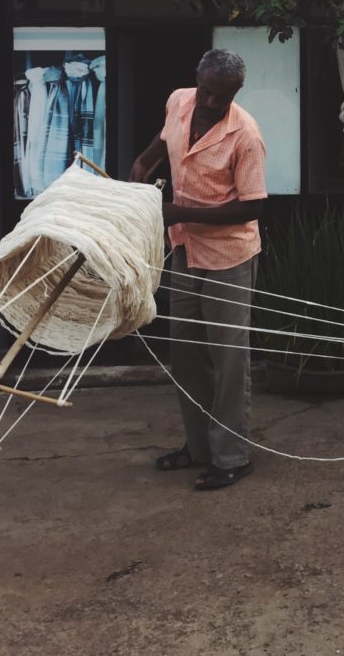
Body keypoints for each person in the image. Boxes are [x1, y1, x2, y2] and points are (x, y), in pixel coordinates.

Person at [129, 49, 267, 490]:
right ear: (197, 80)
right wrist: (140, 172)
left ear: (235, 93)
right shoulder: (178, 100)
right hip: (184, 248)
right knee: (184, 353)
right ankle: (199, 447)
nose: (210, 102)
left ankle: (231, 457)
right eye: (206, 91)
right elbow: (159, 145)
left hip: (229, 255)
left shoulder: (245, 134)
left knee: (228, 360)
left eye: (221, 97)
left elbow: (253, 206)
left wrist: (179, 212)